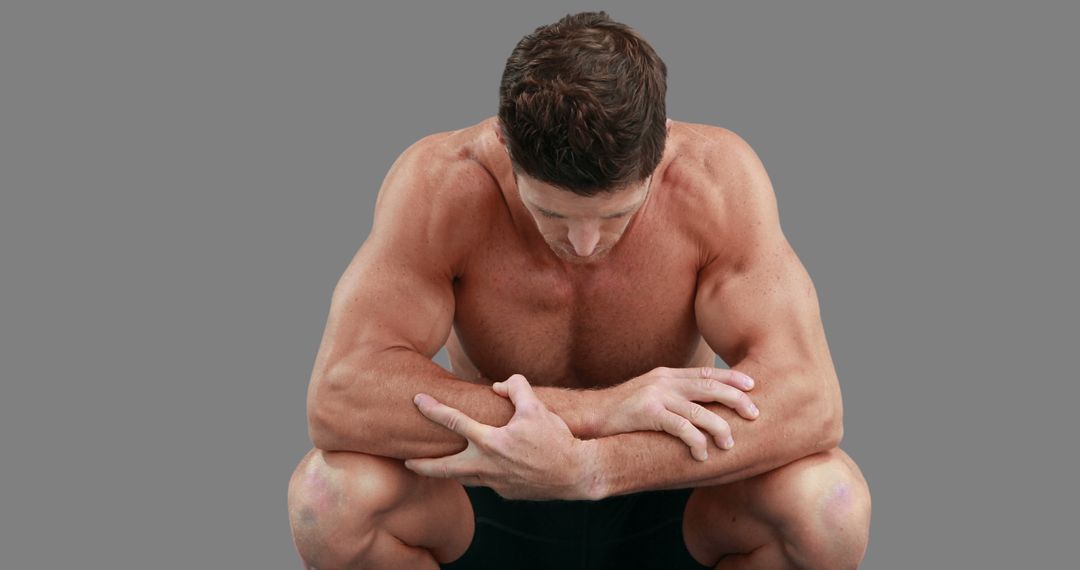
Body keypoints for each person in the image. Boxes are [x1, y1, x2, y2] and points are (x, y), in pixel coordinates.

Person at [287, 11, 870, 570]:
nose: (584, 244)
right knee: (328, 498)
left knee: (828, 506)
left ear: (660, 148)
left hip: (669, 490)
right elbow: (342, 393)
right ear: (505, 145)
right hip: (488, 487)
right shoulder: (443, 184)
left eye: (617, 214)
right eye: (550, 212)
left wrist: (596, 466)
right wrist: (600, 411)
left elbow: (810, 400)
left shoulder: (717, 181)